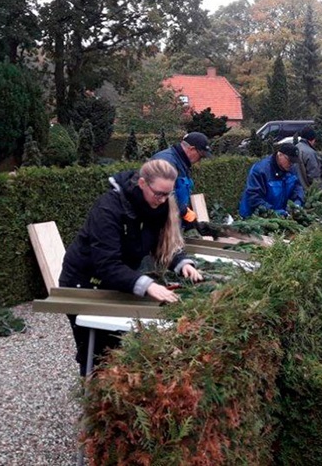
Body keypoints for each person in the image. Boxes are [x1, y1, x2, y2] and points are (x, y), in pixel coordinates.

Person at [59, 159, 203, 376]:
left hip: (116, 279)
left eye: (168, 195)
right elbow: (106, 264)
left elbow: (161, 242)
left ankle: (113, 389)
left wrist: (182, 263)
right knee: (95, 346)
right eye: (159, 194)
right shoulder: (108, 209)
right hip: (84, 280)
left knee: (117, 343)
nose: (163, 200)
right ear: (143, 183)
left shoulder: (157, 207)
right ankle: (93, 394)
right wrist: (147, 285)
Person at [151, 132, 212, 224]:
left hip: (173, 222)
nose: (199, 161)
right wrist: (185, 212)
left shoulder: (181, 163)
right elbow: (163, 197)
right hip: (160, 225)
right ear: (191, 149)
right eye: (200, 156)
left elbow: (181, 193)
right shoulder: (165, 162)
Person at [239, 143, 306, 218]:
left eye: (293, 161)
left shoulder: (291, 169)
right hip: (255, 218)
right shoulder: (260, 170)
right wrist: (272, 211)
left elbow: (297, 187)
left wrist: (297, 202)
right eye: (289, 160)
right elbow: (253, 197)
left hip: (279, 216)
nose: (291, 164)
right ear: (280, 155)